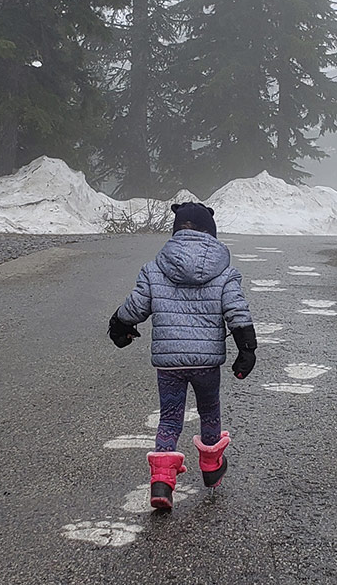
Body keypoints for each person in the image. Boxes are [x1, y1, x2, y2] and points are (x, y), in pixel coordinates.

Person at [108, 202, 257, 511]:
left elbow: (136, 306)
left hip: (169, 363)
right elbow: (236, 311)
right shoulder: (225, 272)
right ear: (210, 233)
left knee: (170, 418)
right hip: (206, 363)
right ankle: (212, 467)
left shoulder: (154, 269)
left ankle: (162, 481)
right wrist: (247, 348)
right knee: (209, 412)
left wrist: (119, 325)